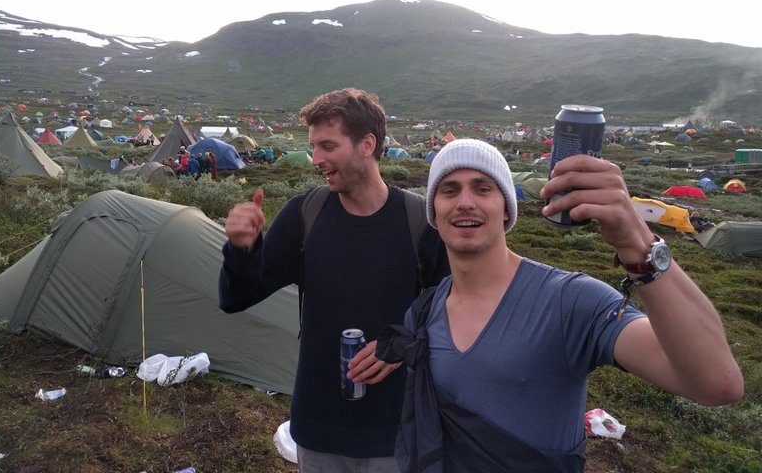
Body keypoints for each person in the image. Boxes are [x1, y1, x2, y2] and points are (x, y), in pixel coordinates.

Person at [377, 138, 743, 472]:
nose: (465, 202)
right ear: (435, 213)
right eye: (449, 190)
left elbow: (717, 383)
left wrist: (637, 245)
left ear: (507, 209)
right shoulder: (425, 311)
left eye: (483, 188)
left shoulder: (571, 300)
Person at [219, 88, 450, 472]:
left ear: (367, 145)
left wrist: (401, 345)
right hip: (318, 428)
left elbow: (455, 308)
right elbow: (235, 298)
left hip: (395, 432)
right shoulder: (304, 215)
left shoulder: (418, 222)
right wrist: (241, 250)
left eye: (328, 146)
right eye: (313, 147)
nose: (316, 160)